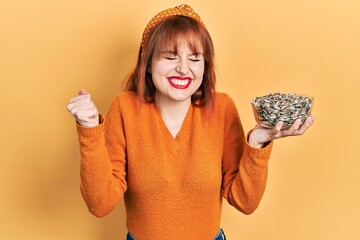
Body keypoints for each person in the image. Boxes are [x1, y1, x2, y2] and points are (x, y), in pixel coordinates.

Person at [67, 4, 315, 240]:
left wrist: (257, 143)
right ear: (149, 63)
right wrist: (89, 130)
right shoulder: (125, 109)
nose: (184, 69)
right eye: (170, 57)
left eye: (195, 58)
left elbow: (245, 202)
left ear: (205, 66)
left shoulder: (222, 108)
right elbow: (99, 204)